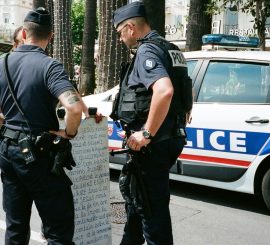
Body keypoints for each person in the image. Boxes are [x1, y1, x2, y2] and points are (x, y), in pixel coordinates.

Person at [0, 8, 83, 244]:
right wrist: (69, 133)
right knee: (58, 228)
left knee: (15, 227)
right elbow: (74, 107)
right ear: (51, 36)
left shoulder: (2, 62)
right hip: (40, 155)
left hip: (8, 151)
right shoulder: (49, 66)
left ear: (24, 33)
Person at [112, 2, 192, 244]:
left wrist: (146, 133)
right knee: (139, 202)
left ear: (131, 27)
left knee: (151, 211)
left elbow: (165, 91)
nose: (119, 38)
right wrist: (184, 114)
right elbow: (185, 88)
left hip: (152, 145)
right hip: (170, 136)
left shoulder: (147, 51)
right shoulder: (170, 48)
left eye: (120, 32)